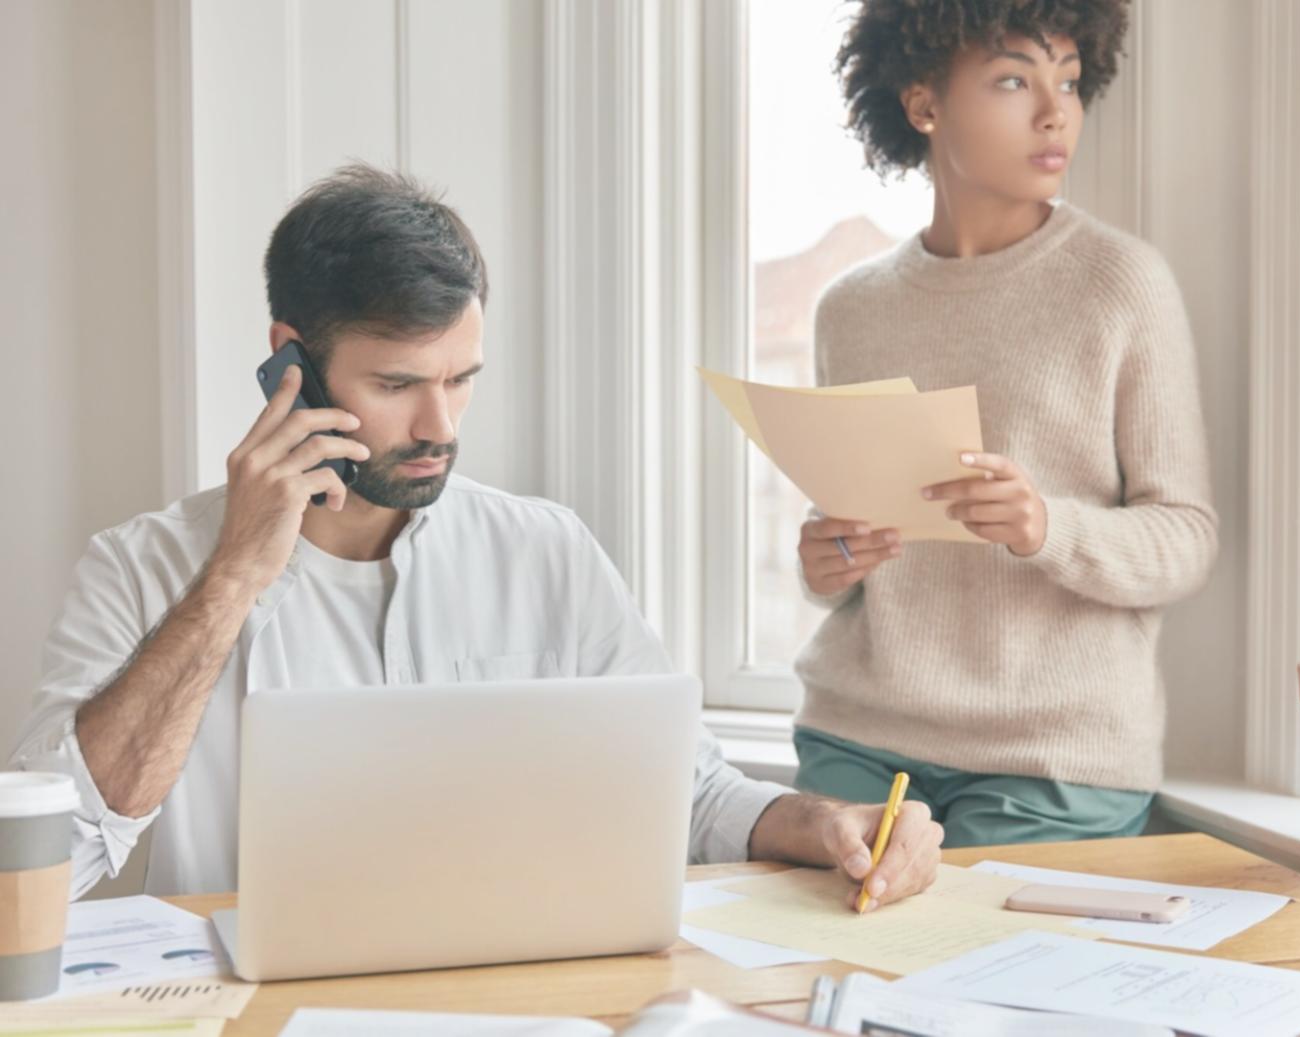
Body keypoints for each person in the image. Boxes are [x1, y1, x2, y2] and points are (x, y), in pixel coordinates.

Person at [10, 164, 942, 907]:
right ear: (288, 358)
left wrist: (824, 823)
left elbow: (685, 794)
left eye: (460, 379)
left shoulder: (546, 551)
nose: (440, 425)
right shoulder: (139, 568)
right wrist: (229, 584)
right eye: (398, 383)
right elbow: (58, 860)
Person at [792, 0, 1218, 847]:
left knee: (978, 971)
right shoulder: (851, 309)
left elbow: (1186, 537)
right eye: (1013, 79)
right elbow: (849, 545)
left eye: (1067, 80)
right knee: (822, 962)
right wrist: (825, 558)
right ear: (923, 103)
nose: (1054, 111)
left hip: (1053, 757)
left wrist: (1044, 527)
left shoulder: (1119, 284)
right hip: (859, 736)